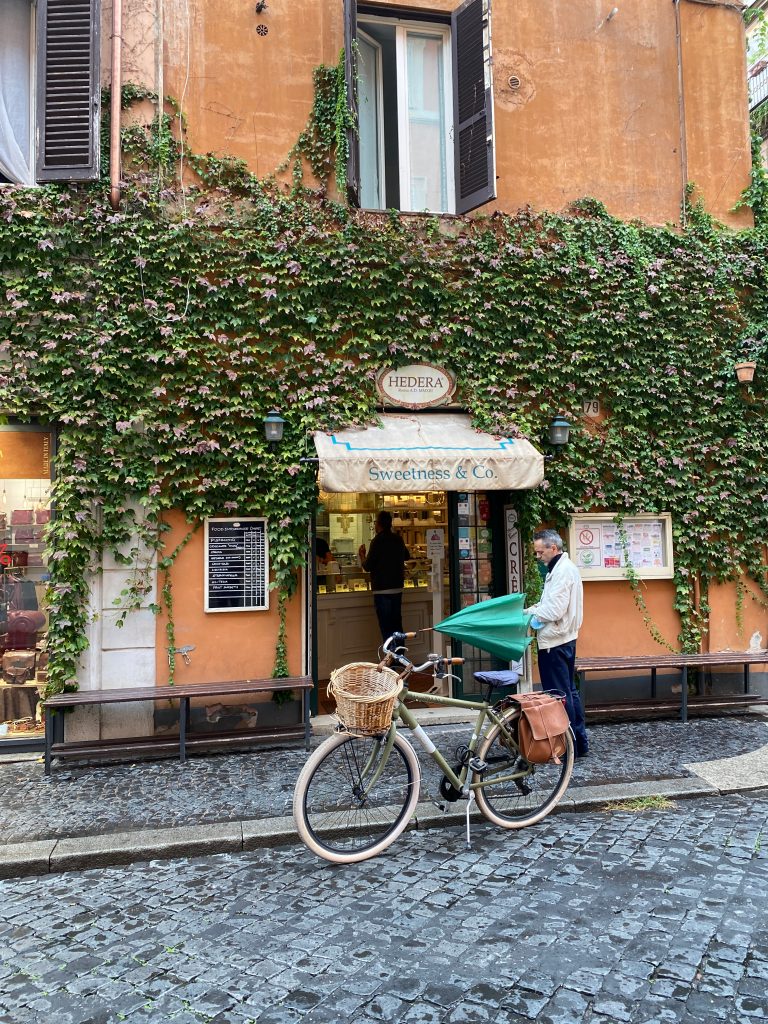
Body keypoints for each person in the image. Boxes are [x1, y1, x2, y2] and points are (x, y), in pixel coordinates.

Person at [524, 528, 589, 757]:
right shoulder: (562, 568)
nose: (538, 556)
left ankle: (569, 745)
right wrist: (531, 610)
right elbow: (551, 605)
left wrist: (531, 617)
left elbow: (553, 609)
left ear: (554, 548)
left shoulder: (562, 572)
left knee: (559, 695)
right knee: (569, 692)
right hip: (565, 639)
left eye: (541, 552)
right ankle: (579, 744)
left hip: (555, 642)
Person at [358, 511, 410, 642]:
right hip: (397, 587)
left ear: (379, 524)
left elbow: (367, 566)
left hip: (382, 589)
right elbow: (407, 556)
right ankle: (400, 655)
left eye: (375, 522)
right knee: (396, 624)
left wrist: (362, 555)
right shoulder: (398, 539)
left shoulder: (377, 541)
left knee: (386, 626)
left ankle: (391, 658)